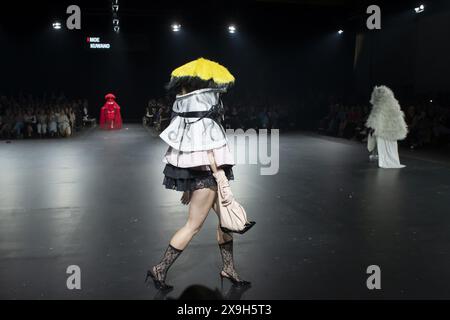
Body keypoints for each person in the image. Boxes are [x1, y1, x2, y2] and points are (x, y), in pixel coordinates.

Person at [146, 58, 253, 292]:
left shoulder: (186, 108)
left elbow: (187, 148)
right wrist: (220, 177)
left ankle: (229, 269)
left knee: (225, 222)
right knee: (193, 226)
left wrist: (188, 184)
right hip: (209, 175)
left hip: (202, 173)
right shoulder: (206, 109)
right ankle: (159, 269)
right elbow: (209, 148)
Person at [366, 85, 408, 169]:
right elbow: (398, 118)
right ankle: (382, 156)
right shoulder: (393, 104)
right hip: (392, 131)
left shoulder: (380, 105)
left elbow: (377, 117)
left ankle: (380, 157)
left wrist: (373, 128)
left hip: (383, 130)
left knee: (378, 140)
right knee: (390, 145)